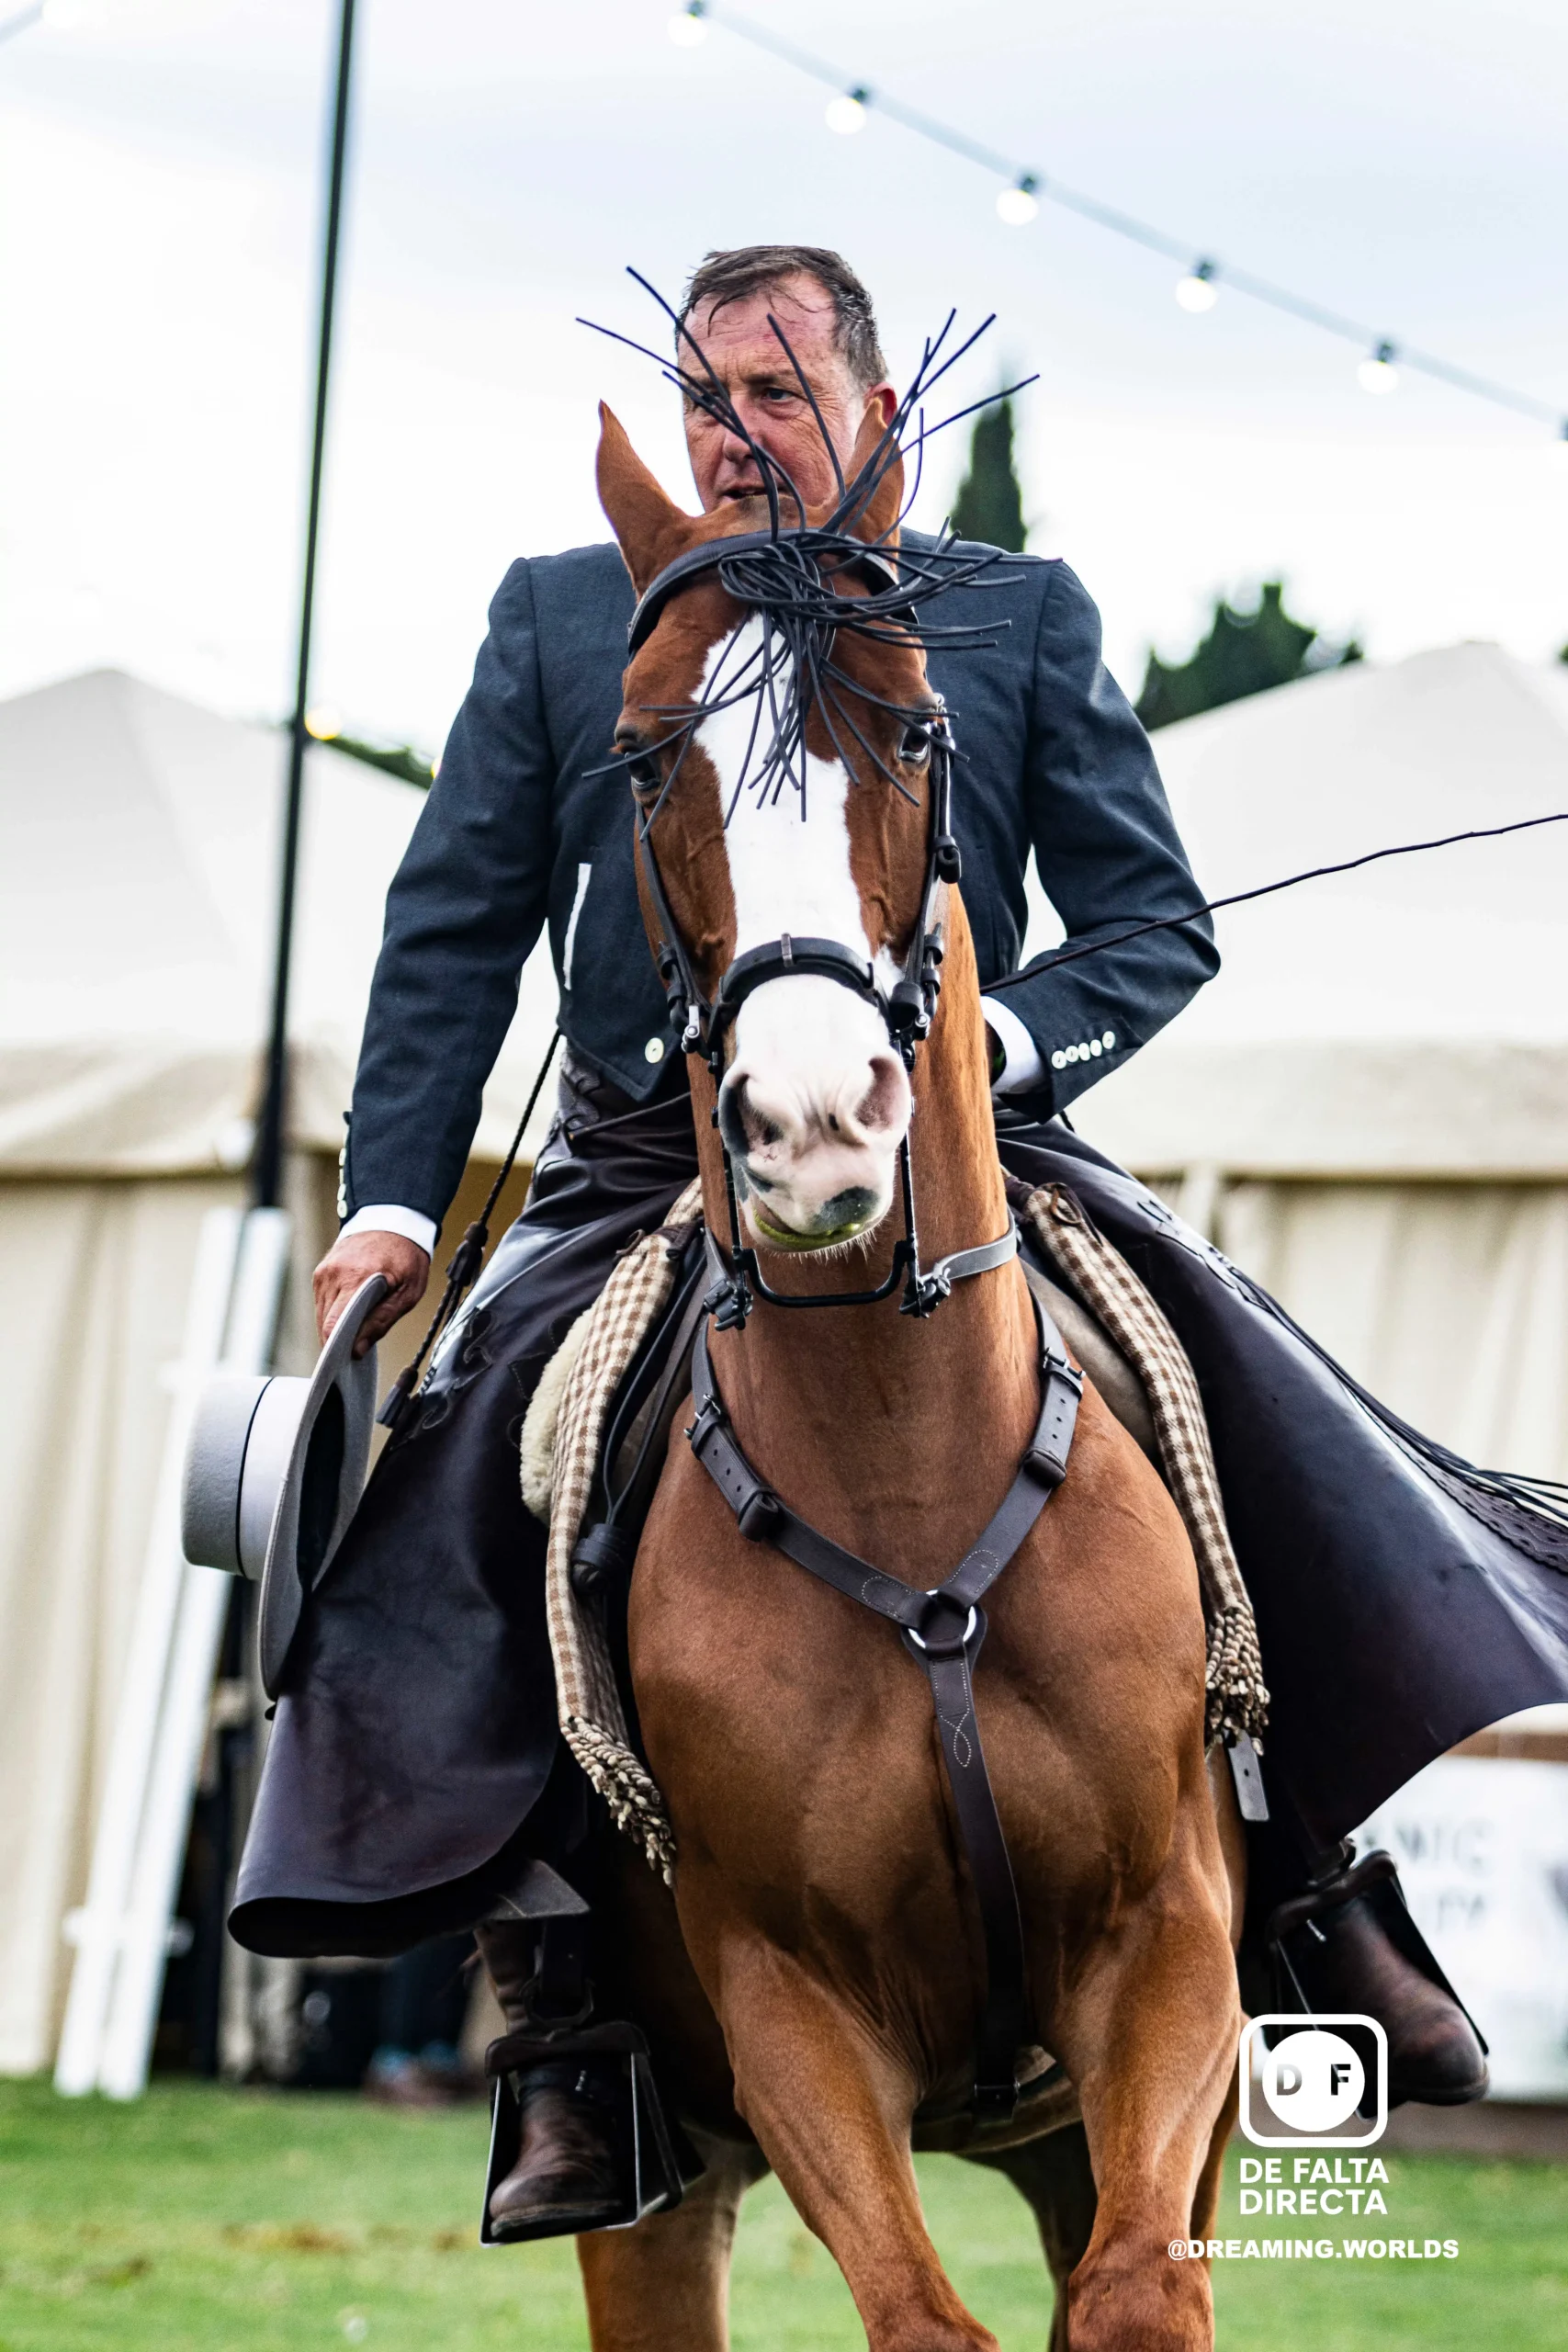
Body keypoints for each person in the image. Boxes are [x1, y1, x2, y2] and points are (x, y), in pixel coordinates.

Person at [232, 245, 1539, 2240]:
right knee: (460, 1471)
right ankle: (567, 2013)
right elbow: (453, 925)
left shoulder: (1014, 612)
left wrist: (985, 1049)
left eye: (776, 392)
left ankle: (1305, 1877)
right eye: (705, 400)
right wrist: (395, 1206)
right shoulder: (566, 614)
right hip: (638, 1164)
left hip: (966, 1145)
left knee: (1231, 1382)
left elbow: (1150, 923)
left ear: (877, 414)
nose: (735, 434)